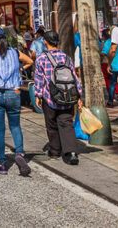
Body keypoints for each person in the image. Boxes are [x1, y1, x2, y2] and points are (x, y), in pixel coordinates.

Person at [0, 27, 34, 175]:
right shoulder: (15, 52)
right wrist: (20, 69)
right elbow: (30, 60)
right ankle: (20, 153)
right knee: (15, 126)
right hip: (13, 93)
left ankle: (2, 164)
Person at [34, 30, 83, 165]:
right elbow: (74, 77)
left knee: (51, 124)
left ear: (45, 41)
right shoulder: (66, 57)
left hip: (50, 96)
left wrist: (38, 95)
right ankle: (71, 152)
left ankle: (55, 150)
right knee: (66, 122)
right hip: (67, 95)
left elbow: (39, 78)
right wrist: (78, 94)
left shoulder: (41, 58)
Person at [101, 27, 118, 107]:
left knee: (111, 82)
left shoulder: (108, 42)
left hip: (112, 65)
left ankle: (110, 100)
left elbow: (105, 52)